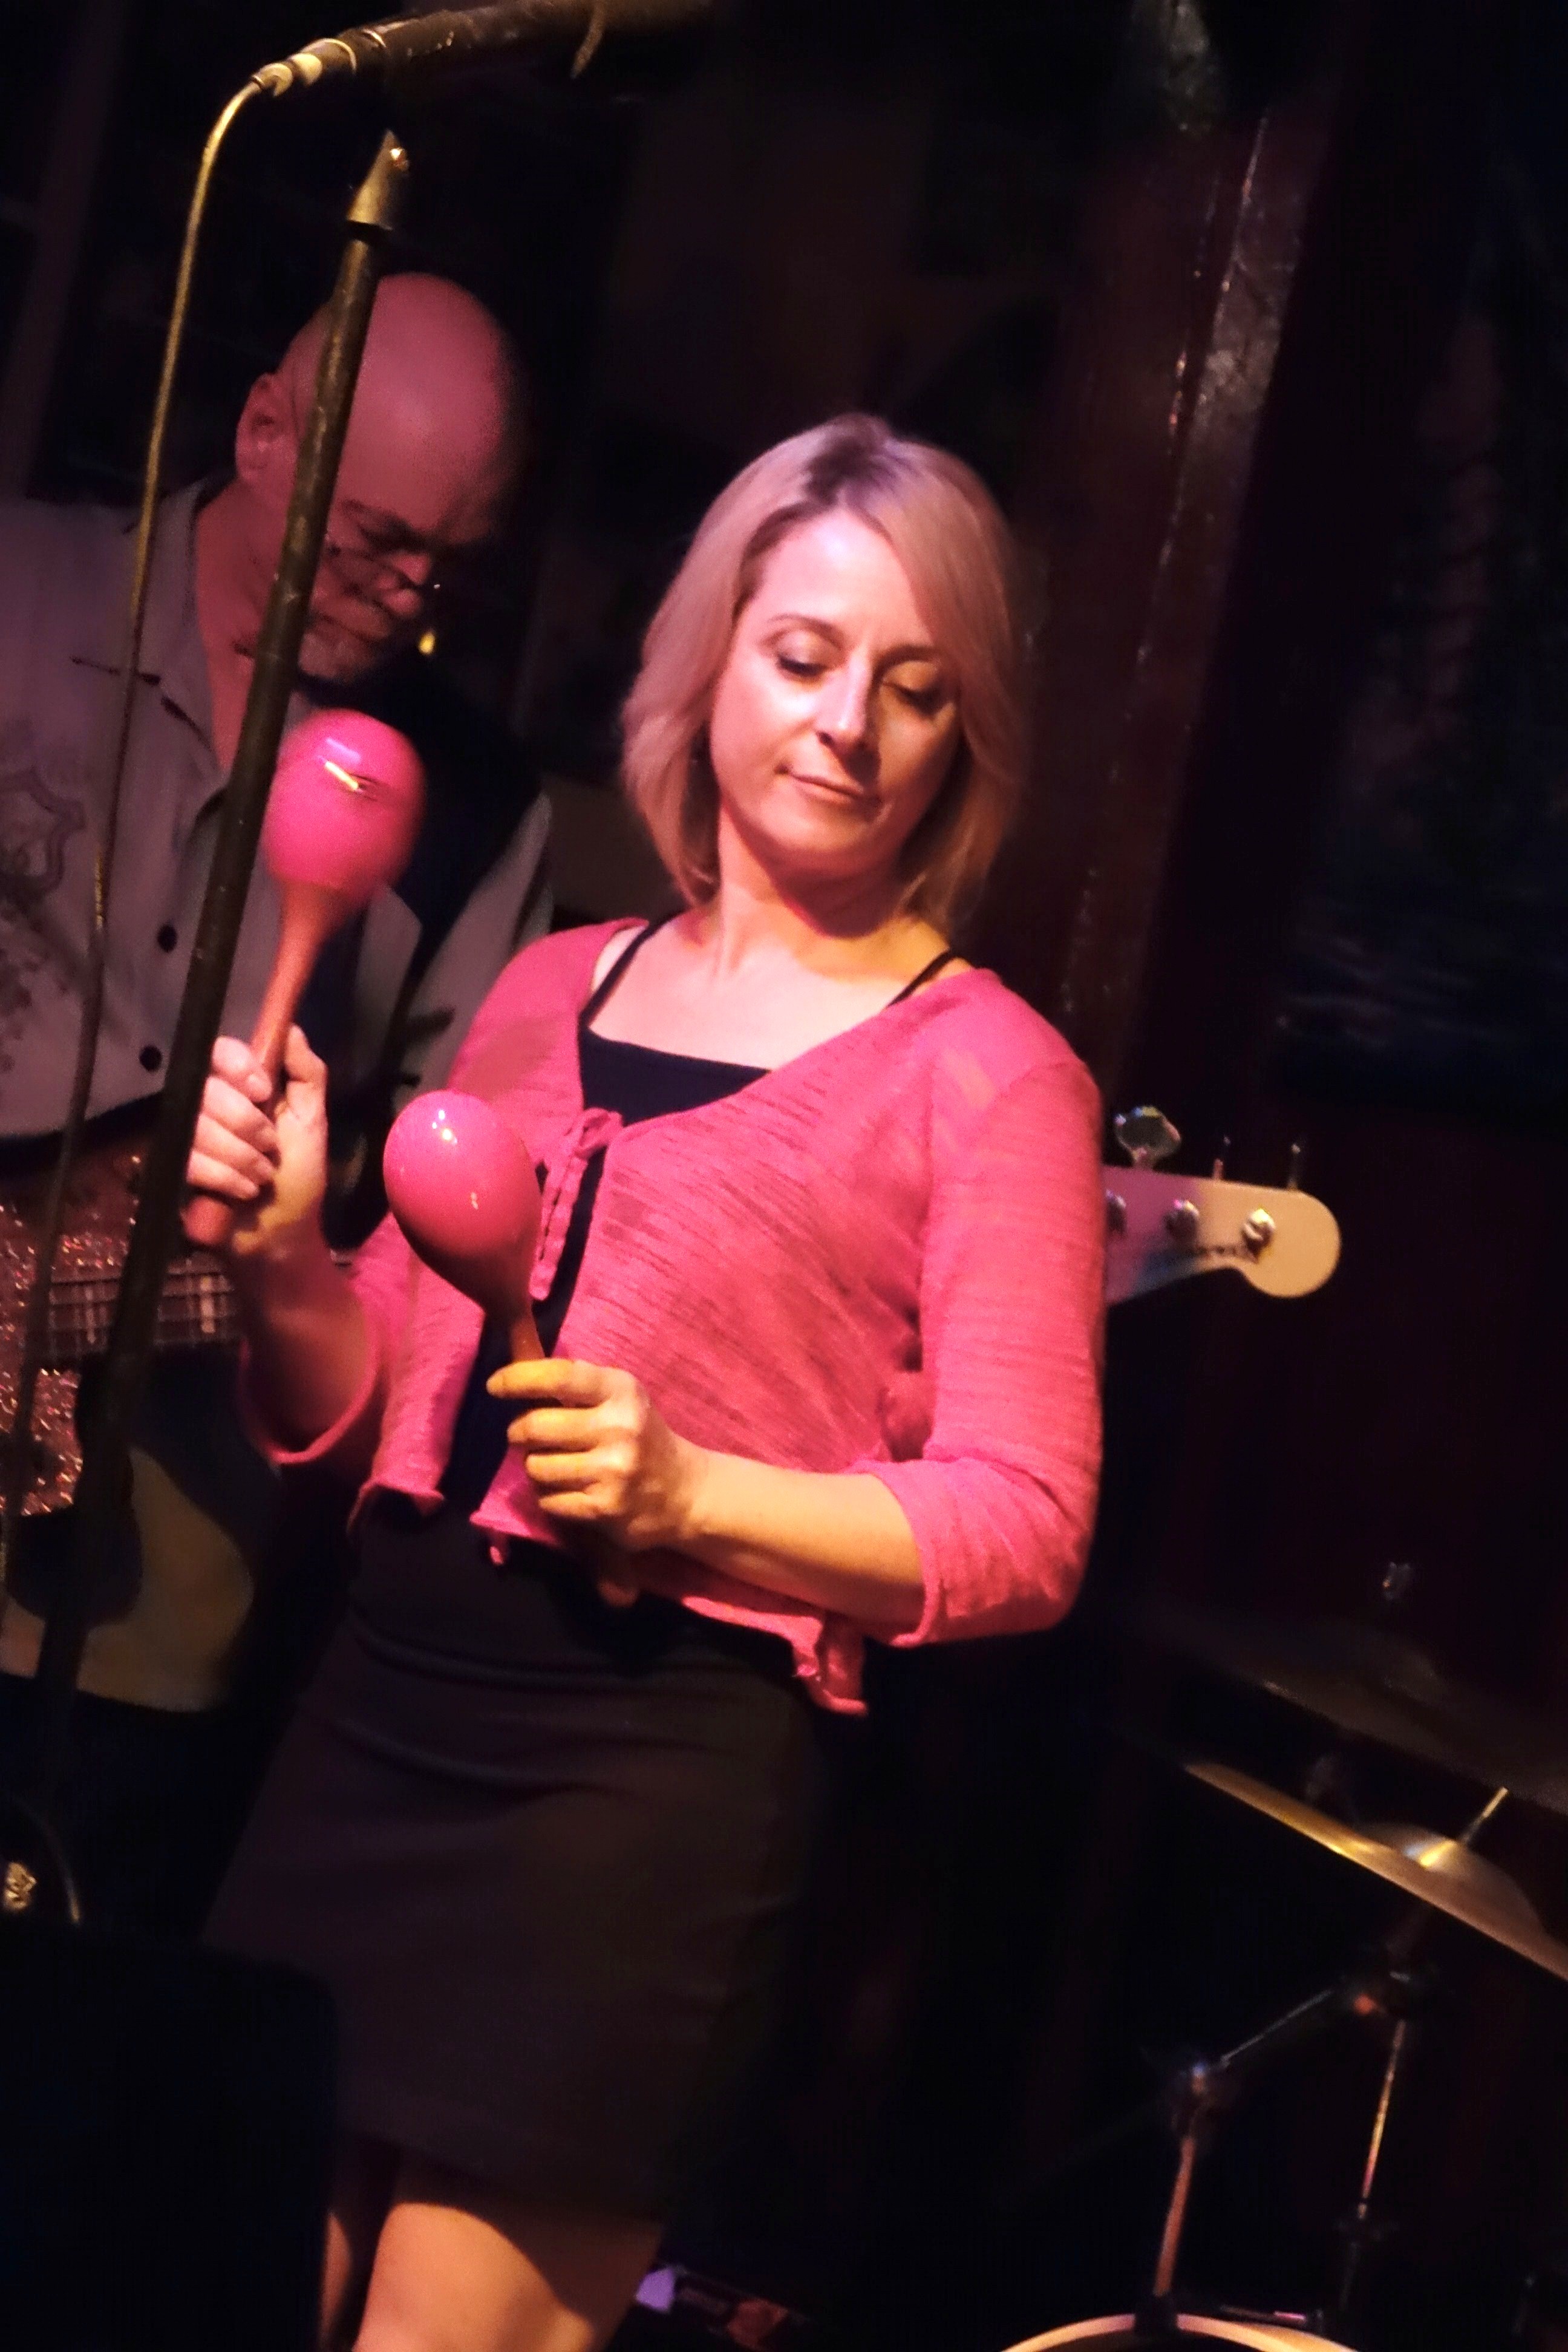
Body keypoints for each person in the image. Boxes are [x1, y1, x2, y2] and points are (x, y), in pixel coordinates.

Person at [190, 414, 1105, 2352]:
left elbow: (1027, 1524)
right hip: (378, 1710)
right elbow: (364, 1405)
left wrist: (697, 1498)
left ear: (964, 739)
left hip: (646, 1791)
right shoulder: (553, 985)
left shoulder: (992, 1074)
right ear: (710, 668)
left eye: (914, 688)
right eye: (805, 657)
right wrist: (280, 1257)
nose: (848, 724)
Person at [0, 272, 550, 1927]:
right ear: (262, 431)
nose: (409, 600)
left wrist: (292, 1253)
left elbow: (444, 1239)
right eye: (376, 541)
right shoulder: (20, 593)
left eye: (449, 566)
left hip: (143, 1598)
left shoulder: (478, 809)